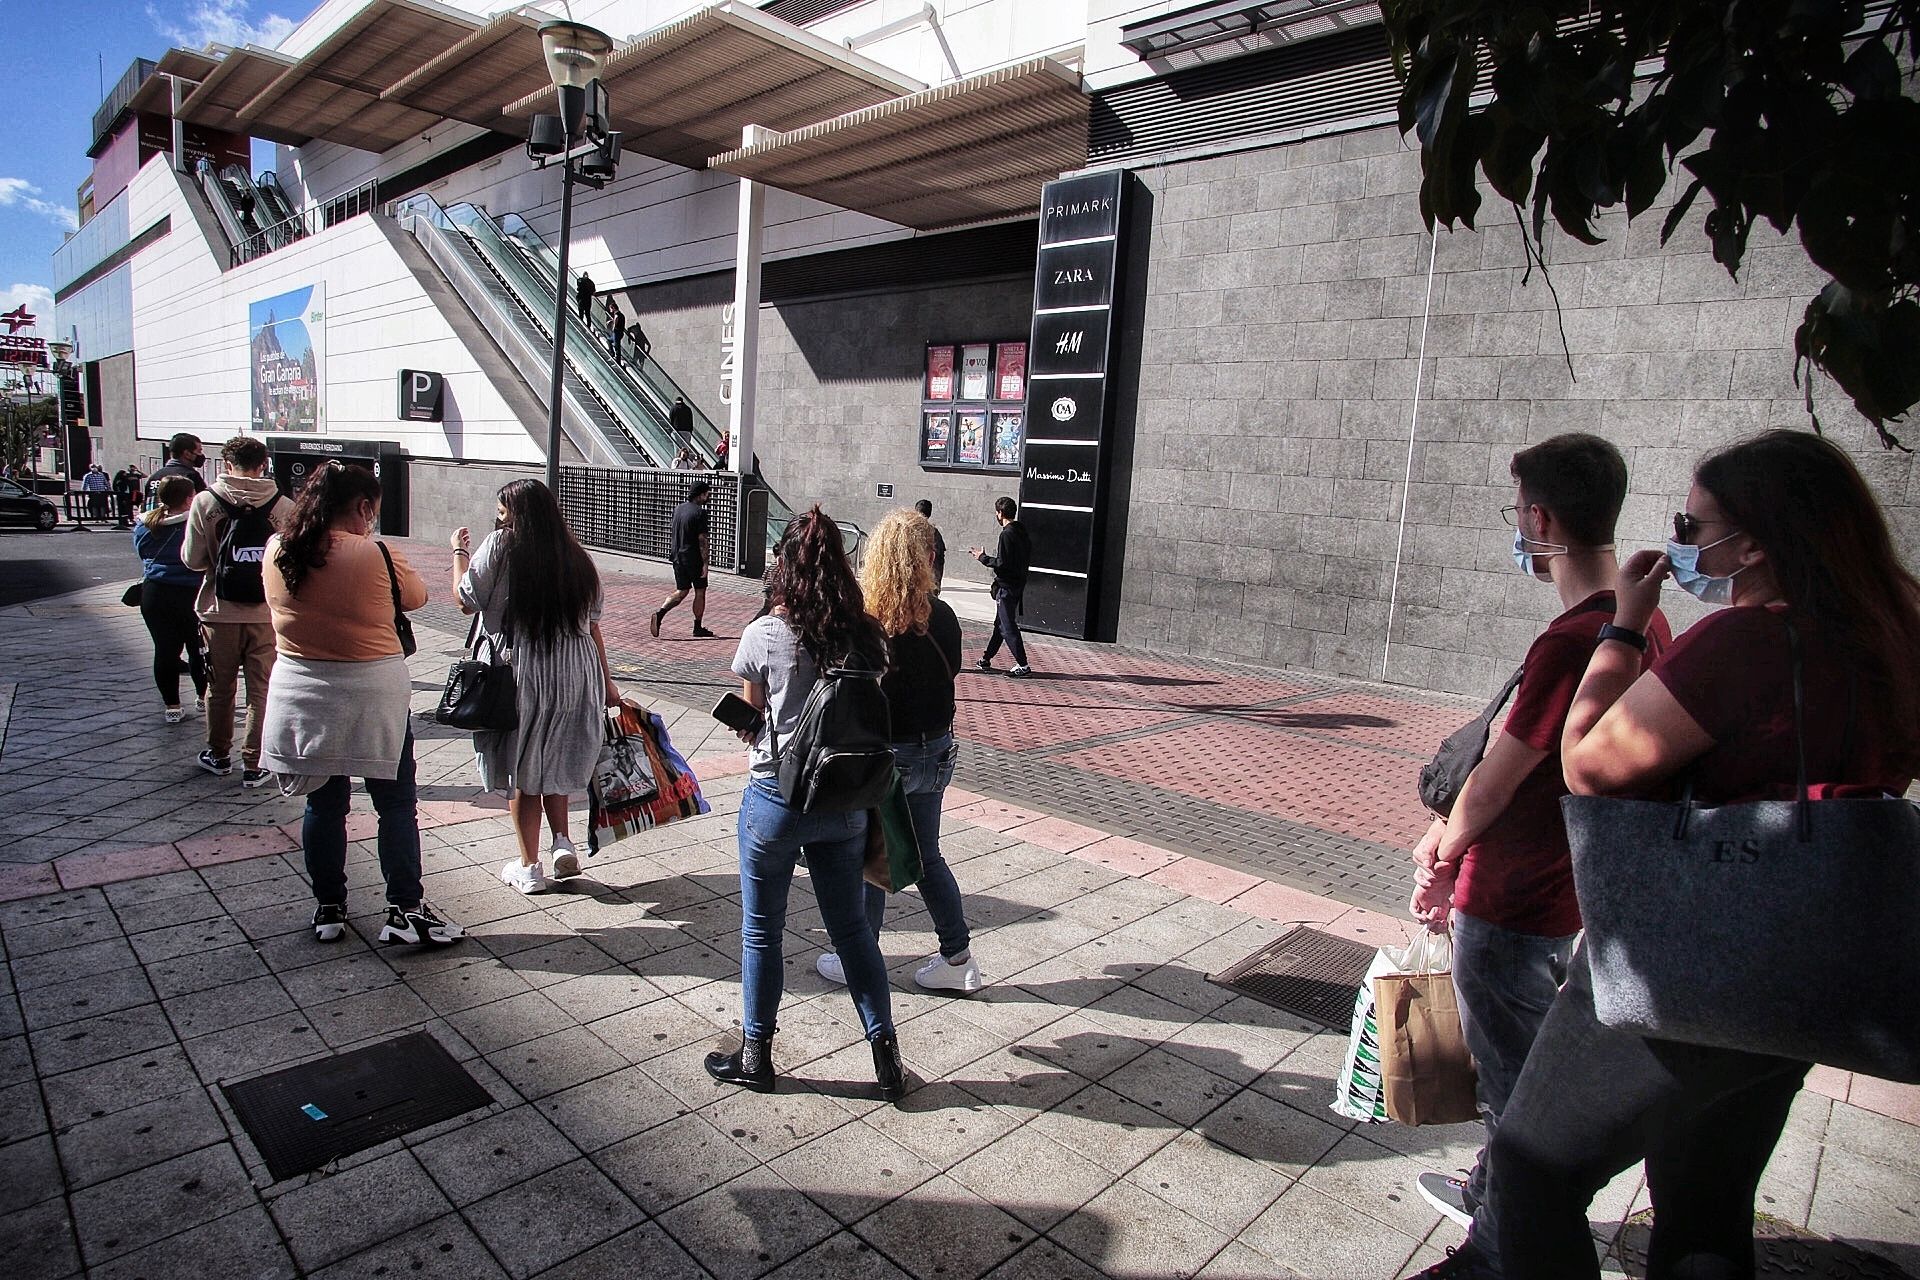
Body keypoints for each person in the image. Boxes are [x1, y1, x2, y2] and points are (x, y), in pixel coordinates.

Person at [1424, 430, 1920, 1280]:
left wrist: (1621, 627)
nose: (1683, 542)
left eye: (1693, 526)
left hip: (1690, 958)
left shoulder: (1745, 643)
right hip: (1812, 963)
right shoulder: (1891, 638)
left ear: (1757, 541)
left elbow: (1588, 764)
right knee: (1706, 1195)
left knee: (1534, 1166)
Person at [1405, 435, 1671, 1250]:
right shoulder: (1641, 624)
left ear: (1540, 517)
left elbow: (1497, 778)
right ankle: (1494, 1190)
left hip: (1510, 894)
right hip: (1563, 891)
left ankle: (1505, 1235)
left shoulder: (1570, 643)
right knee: (1521, 1061)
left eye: (1518, 509)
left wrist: (1443, 852)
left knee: (1513, 1078)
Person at [708, 507, 908, 1100]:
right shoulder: (867, 634)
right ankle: (888, 1060)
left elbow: (754, 716)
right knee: (852, 933)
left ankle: (756, 1055)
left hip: (776, 798)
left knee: (762, 931)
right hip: (845, 802)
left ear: (785, 566)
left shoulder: (764, 634)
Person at [259, 461, 462, 948]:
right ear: (365, 506)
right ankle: (404, 910)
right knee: (394, 804)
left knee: (323, 803)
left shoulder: (278, 547)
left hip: (302, 688)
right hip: (372, 691)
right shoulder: (375, 552)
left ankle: (328, 909)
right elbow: (415, 597)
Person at [816, 509, 982, 994]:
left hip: (887, 756)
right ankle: (958, 956)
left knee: (871, 857)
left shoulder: (870, 623)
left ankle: (858, 955)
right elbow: (948, 673)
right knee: (925, 855)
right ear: (926, 559)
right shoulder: (946, 617)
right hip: (937, 749)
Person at [453, 479, 627, 894]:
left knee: (523, 768)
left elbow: (465, 599)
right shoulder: (576, 556)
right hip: (577, 672)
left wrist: (458, 554)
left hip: (524, 673)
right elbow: (594, 624)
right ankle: (562, 843)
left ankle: (529, 866)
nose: (499, 519)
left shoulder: (502, 546)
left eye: (502, 513)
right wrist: (607, 682)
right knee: (557, 758)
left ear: (515, 515)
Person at [184, 436, 289, 788]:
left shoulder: (205, 502)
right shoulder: (283, 507)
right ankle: (254, 762)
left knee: (219, 685)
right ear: (263, 464)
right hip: (265, 613)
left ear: (227, 464)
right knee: (261, 689)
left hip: (218, 610)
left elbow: (192, 559)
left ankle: (218, 754)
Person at [132, 476, 208, 725]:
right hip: (190, 591)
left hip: (155, 593)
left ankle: (172, 707)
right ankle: (201, 697)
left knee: (164, 651)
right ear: (189, 498)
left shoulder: (145, 523)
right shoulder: (193, 523)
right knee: (198, 649)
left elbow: (141, 553)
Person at [971, 496, 1031, 677]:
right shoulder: (1022, 532)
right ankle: (986, 659)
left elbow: (1002, 563)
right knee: (1000, 624)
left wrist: (982, 557)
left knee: (1007, 627)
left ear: (1000, 513)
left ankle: (1023, 665)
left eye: (996, 512)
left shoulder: (1006, 534)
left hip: (1006, 588)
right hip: (1017, 585)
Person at [650, 480, 714, 639]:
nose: (708, 497)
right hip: (694, 558)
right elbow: (702, 540)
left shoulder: (678, 509)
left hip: (677, 556)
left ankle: (660, 613)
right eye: (706, 494)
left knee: (682, 591)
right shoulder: (700, 513)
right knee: (700, 592)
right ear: (701, 495)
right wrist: (705, 563)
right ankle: (697, 626)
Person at [146, 433, 206, 505]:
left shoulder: (154, 477)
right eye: (199, 451)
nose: (201, 455)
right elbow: (203, 505)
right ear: (187, 454)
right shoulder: (191, 476)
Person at [914, 498, 946, 587]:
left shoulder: (907, 531)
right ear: (930, 513)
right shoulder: (934, 533)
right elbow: (939, 560)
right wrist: (937, 583)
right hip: (929, 582)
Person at [606, 299, 626, 364]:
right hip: (620, 333)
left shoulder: (617, 314)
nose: (610, 310)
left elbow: (616, 320)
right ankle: (612, 354)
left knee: (617, 346)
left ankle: (618, 361)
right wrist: (611, 321)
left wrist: (613, 327)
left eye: (611, 309)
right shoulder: (621, 314)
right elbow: (616, 319)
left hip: (617, 332)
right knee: (609, 340)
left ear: (613, 308)